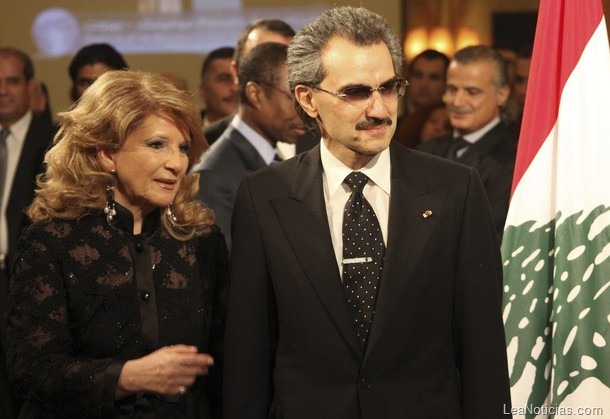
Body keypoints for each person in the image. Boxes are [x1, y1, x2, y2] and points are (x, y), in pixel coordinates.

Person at [223, 6, 511, 419]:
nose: (379, 110)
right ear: (307, 99)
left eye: (389, 88)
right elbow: (248, 359)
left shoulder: (456, 190)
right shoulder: (264, 196)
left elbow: (483, 350)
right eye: (356, 92)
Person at [7, 70, 228, 418]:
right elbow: (31, 368)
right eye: (157, 144)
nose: (176, 163)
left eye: (183, 148)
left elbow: (224, 362)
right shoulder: (52, 240)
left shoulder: (201, 240)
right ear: (108, 153)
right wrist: (126, 377)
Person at [191, 42, 305, 250]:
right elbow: (224, 263)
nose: (305, 111)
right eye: (293, 98)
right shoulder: (213, 177)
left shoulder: (277, 160)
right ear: (255, 94)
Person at [0, 47, 56, 419]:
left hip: (22, 283)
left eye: (12, 81)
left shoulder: (53, 144)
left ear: (31, 86)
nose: (2, 90)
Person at [417, 45, 517, 238]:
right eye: (452, 89)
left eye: (472, 92)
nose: (457, 102)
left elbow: (485, 235)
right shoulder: (425, 150)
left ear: (501, 95)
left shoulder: (510, 163)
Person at [203, 19, 295, 144]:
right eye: (262, 61)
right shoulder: (206, 142)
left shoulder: (319, 135)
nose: (274, 74)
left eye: (284, 62)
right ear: (236, 71)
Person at [394, 49, 449, 148]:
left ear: (447, 83)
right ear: (408, 79)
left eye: (434, 78)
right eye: (418, 75)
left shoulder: (449, 127)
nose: (424, 84)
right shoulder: (393, 126)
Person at [198, 46, 238, 127]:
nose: (235, 88)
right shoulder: (185, 131)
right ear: (203, 91)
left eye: (240, 78)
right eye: (224, 79)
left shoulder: (263, 131)